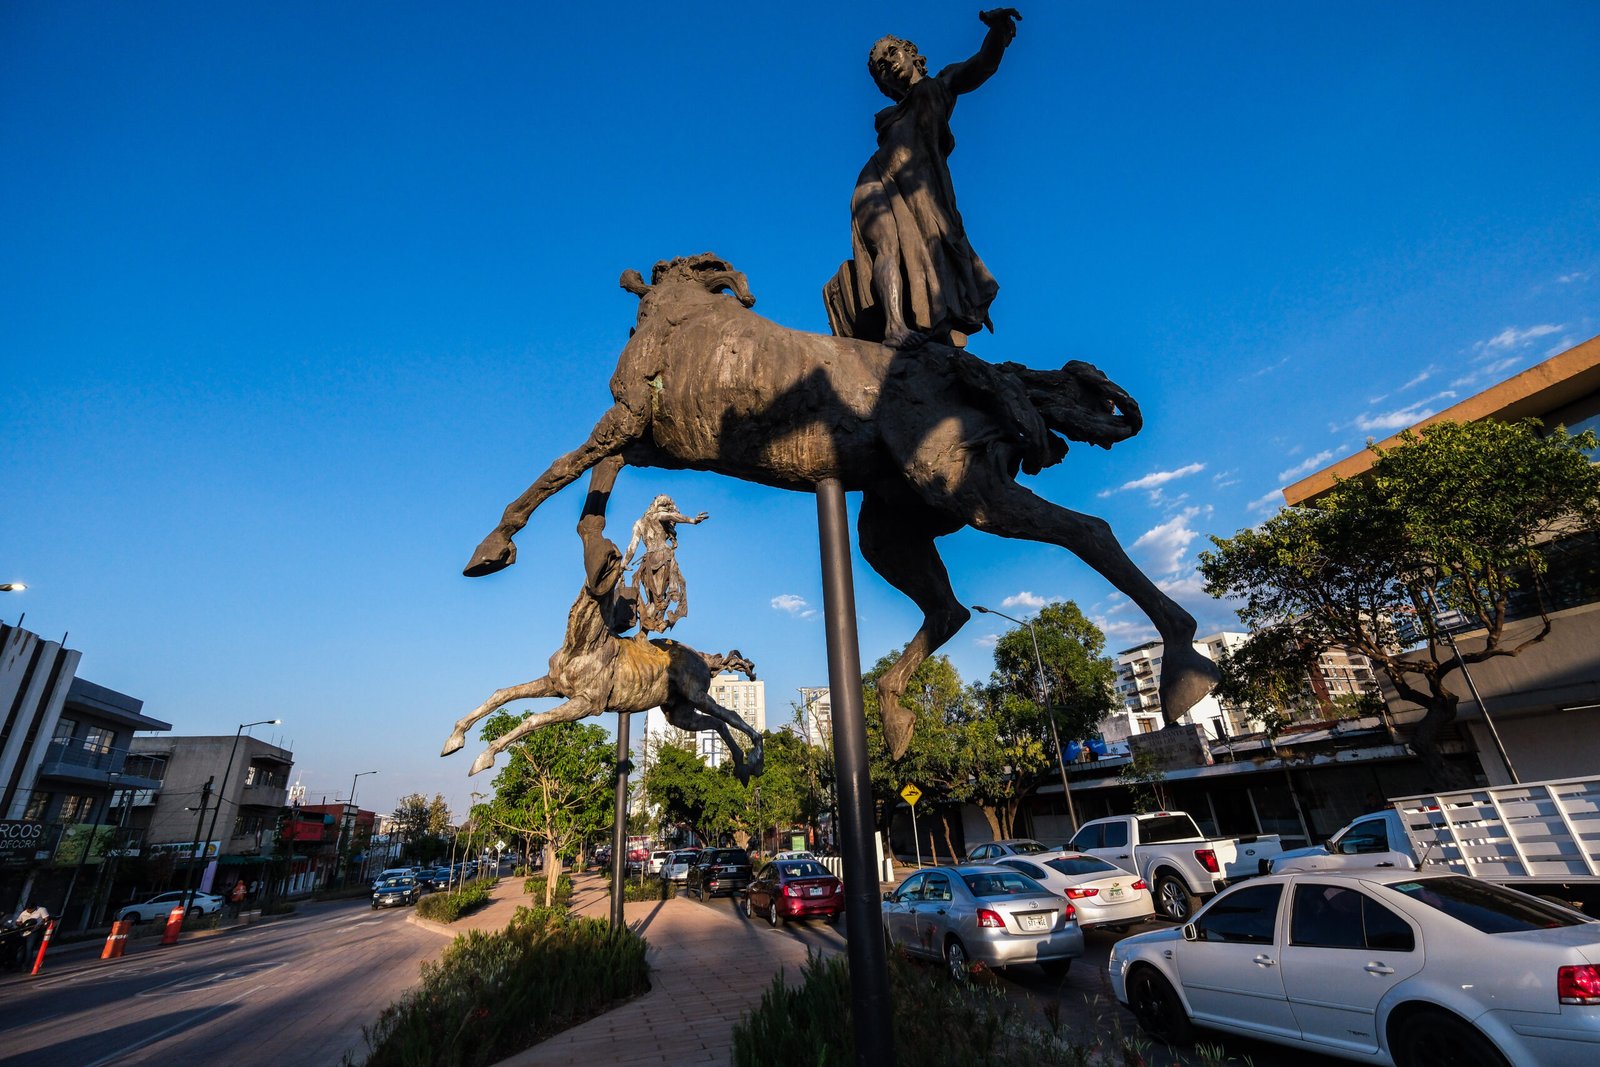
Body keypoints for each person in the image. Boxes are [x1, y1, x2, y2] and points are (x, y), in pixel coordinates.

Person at [824, 8, 1022, 350]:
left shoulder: (940, 85)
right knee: (886, 245)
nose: (889, 64)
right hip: (877, 180)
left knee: (930, 249)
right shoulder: (890, 115)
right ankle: (896, 328)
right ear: (883, 84)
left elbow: (982, 65)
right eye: (880, 68)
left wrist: (999, 33)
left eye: (892, 53)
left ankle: (929, 325)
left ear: (911, 54)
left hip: (921, 192)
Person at [621, 495, 708, 634]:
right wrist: (692, 520)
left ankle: (644, 633)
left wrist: (623, 564)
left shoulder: (639, 523)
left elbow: (632, 547)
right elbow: (673, 517)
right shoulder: (658, 516)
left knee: (653, 601)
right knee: (663, 598)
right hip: (662, 558)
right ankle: (654, 625)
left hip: (647, 563)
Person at [15, 901, 49, 965]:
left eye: (31, 909)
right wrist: (21, 924)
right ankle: (18, 963)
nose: (29, 910)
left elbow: (46, 919)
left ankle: (26, 965)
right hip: (24, 932)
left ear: (35, 907)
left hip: (34, 931)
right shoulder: (24, 913)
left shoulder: (41, 910)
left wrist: (42, 925)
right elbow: (18, 921)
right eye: (28, 909)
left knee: (29, 948)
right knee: (21, 948)